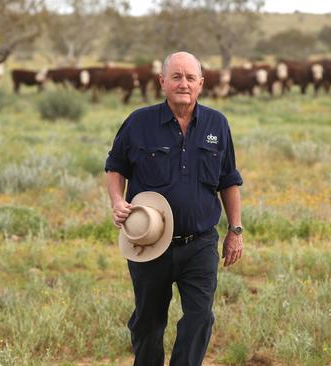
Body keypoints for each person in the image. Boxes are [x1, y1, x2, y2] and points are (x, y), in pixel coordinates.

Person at [105, 51, 244, 366]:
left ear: (201, 84)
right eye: (177, 77)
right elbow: (115, 166)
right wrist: (117, 201)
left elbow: (229, 180)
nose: (184, 84)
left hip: (200, 243)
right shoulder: (139, 122)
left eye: (190, 78)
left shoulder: (217, 124)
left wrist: (235, 230)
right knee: (148, 322)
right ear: (162, 81)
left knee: (200, 317)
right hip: (150, 243)